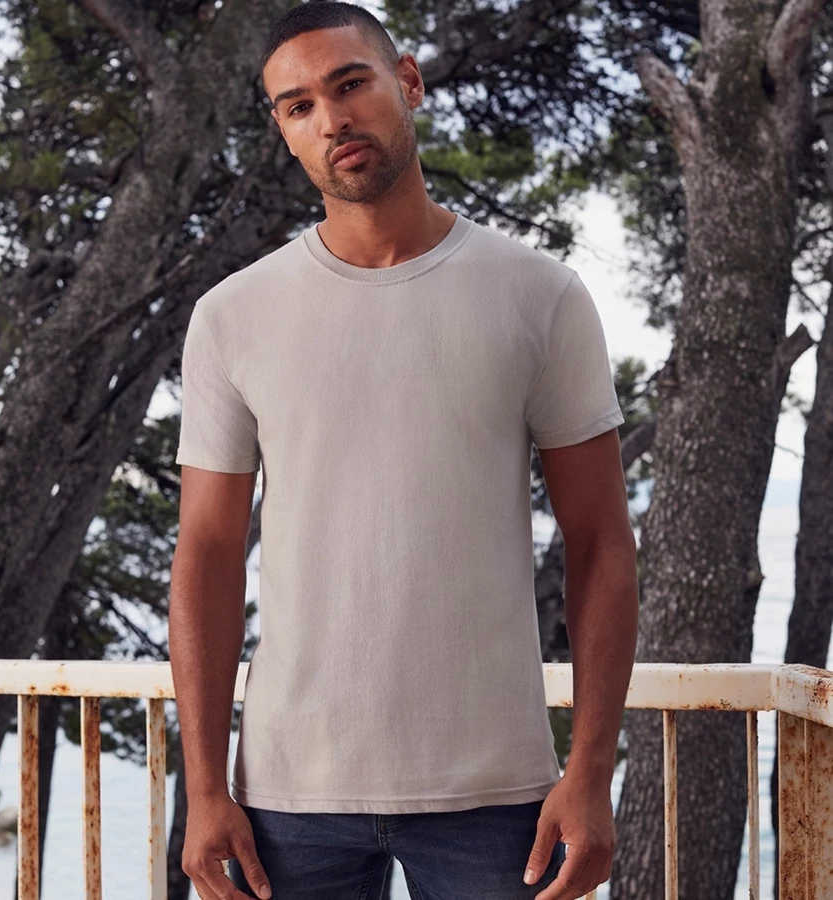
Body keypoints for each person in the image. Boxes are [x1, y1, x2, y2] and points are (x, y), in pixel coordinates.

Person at [169, 1, 639, 898]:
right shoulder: (233, 316)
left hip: (496, 796)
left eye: (350, 84)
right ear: (284, 132)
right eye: (299, 106)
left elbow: (600, 542)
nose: (332, 119)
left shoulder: (538, 295)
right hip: (287, 798)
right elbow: (208, 552)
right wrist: (202, 789)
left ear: (408, 82)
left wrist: (587, 773)